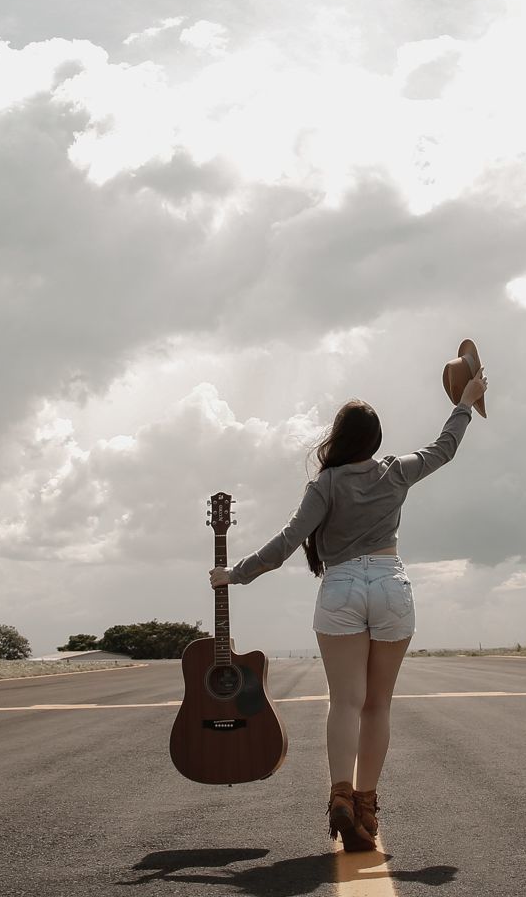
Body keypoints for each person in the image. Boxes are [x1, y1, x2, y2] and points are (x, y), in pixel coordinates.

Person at [209, 365, 488, 852]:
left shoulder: (326, 484)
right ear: (376, 441)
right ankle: (365, 804)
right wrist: (465, 403)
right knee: (378, 705)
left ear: (338, 439)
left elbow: (289, 540)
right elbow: (445, 448)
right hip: (389, 584)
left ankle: (340, 794)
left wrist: (235, 574)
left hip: (339, 587)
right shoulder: (395, 470)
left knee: (345, 702)